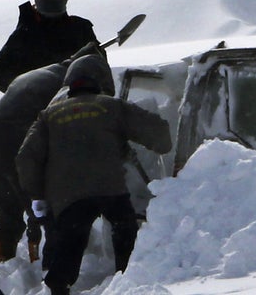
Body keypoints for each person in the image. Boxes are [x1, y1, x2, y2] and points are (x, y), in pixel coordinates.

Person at [16, 59, 173, 295]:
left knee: (70, 241)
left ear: (70, 88)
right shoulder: (112, 106)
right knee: (124, 231)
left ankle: (59, 286)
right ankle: (129, 279)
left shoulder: (47, 116)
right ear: (99, 85)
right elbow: (159, 134)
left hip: (69, 196)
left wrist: (37, 196)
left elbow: (25, 158)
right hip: (110, 189)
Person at [0, 44, 114, 264]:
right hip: (16, 153)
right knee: (44, 213)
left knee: (6, 216)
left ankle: (1, 267)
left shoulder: (40, 74)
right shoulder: (64, 89)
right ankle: (42, 268)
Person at [0, 0, 100, 93]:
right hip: (40, 106)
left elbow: (100, 68)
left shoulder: (80, 28)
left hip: (78, 102)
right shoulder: (25, 34)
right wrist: (29, 88)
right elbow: (1, 74)